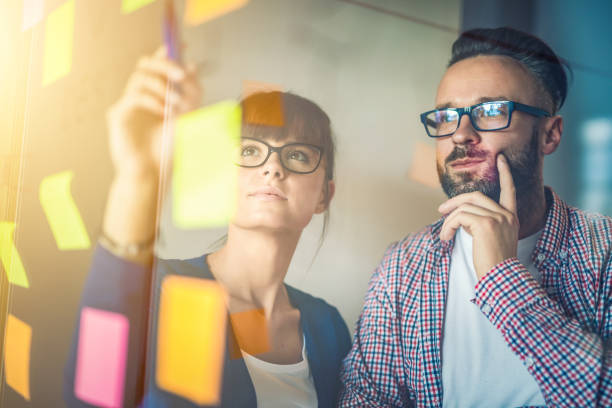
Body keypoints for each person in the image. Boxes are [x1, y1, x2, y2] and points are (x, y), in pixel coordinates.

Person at [63, 46, 351, 407]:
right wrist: (137, 179)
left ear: (324, 196)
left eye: (297, 155)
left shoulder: (329, 327)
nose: (272, 168)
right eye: (248, 150)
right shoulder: (160, 292)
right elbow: (87, 396)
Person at [339, 27, 612, 407]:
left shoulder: (606, 251)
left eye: (491, 112)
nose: (461, 134)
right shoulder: (404, 265)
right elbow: (366, 399)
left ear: (550, 135)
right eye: (446, 117)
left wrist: (502, 276)